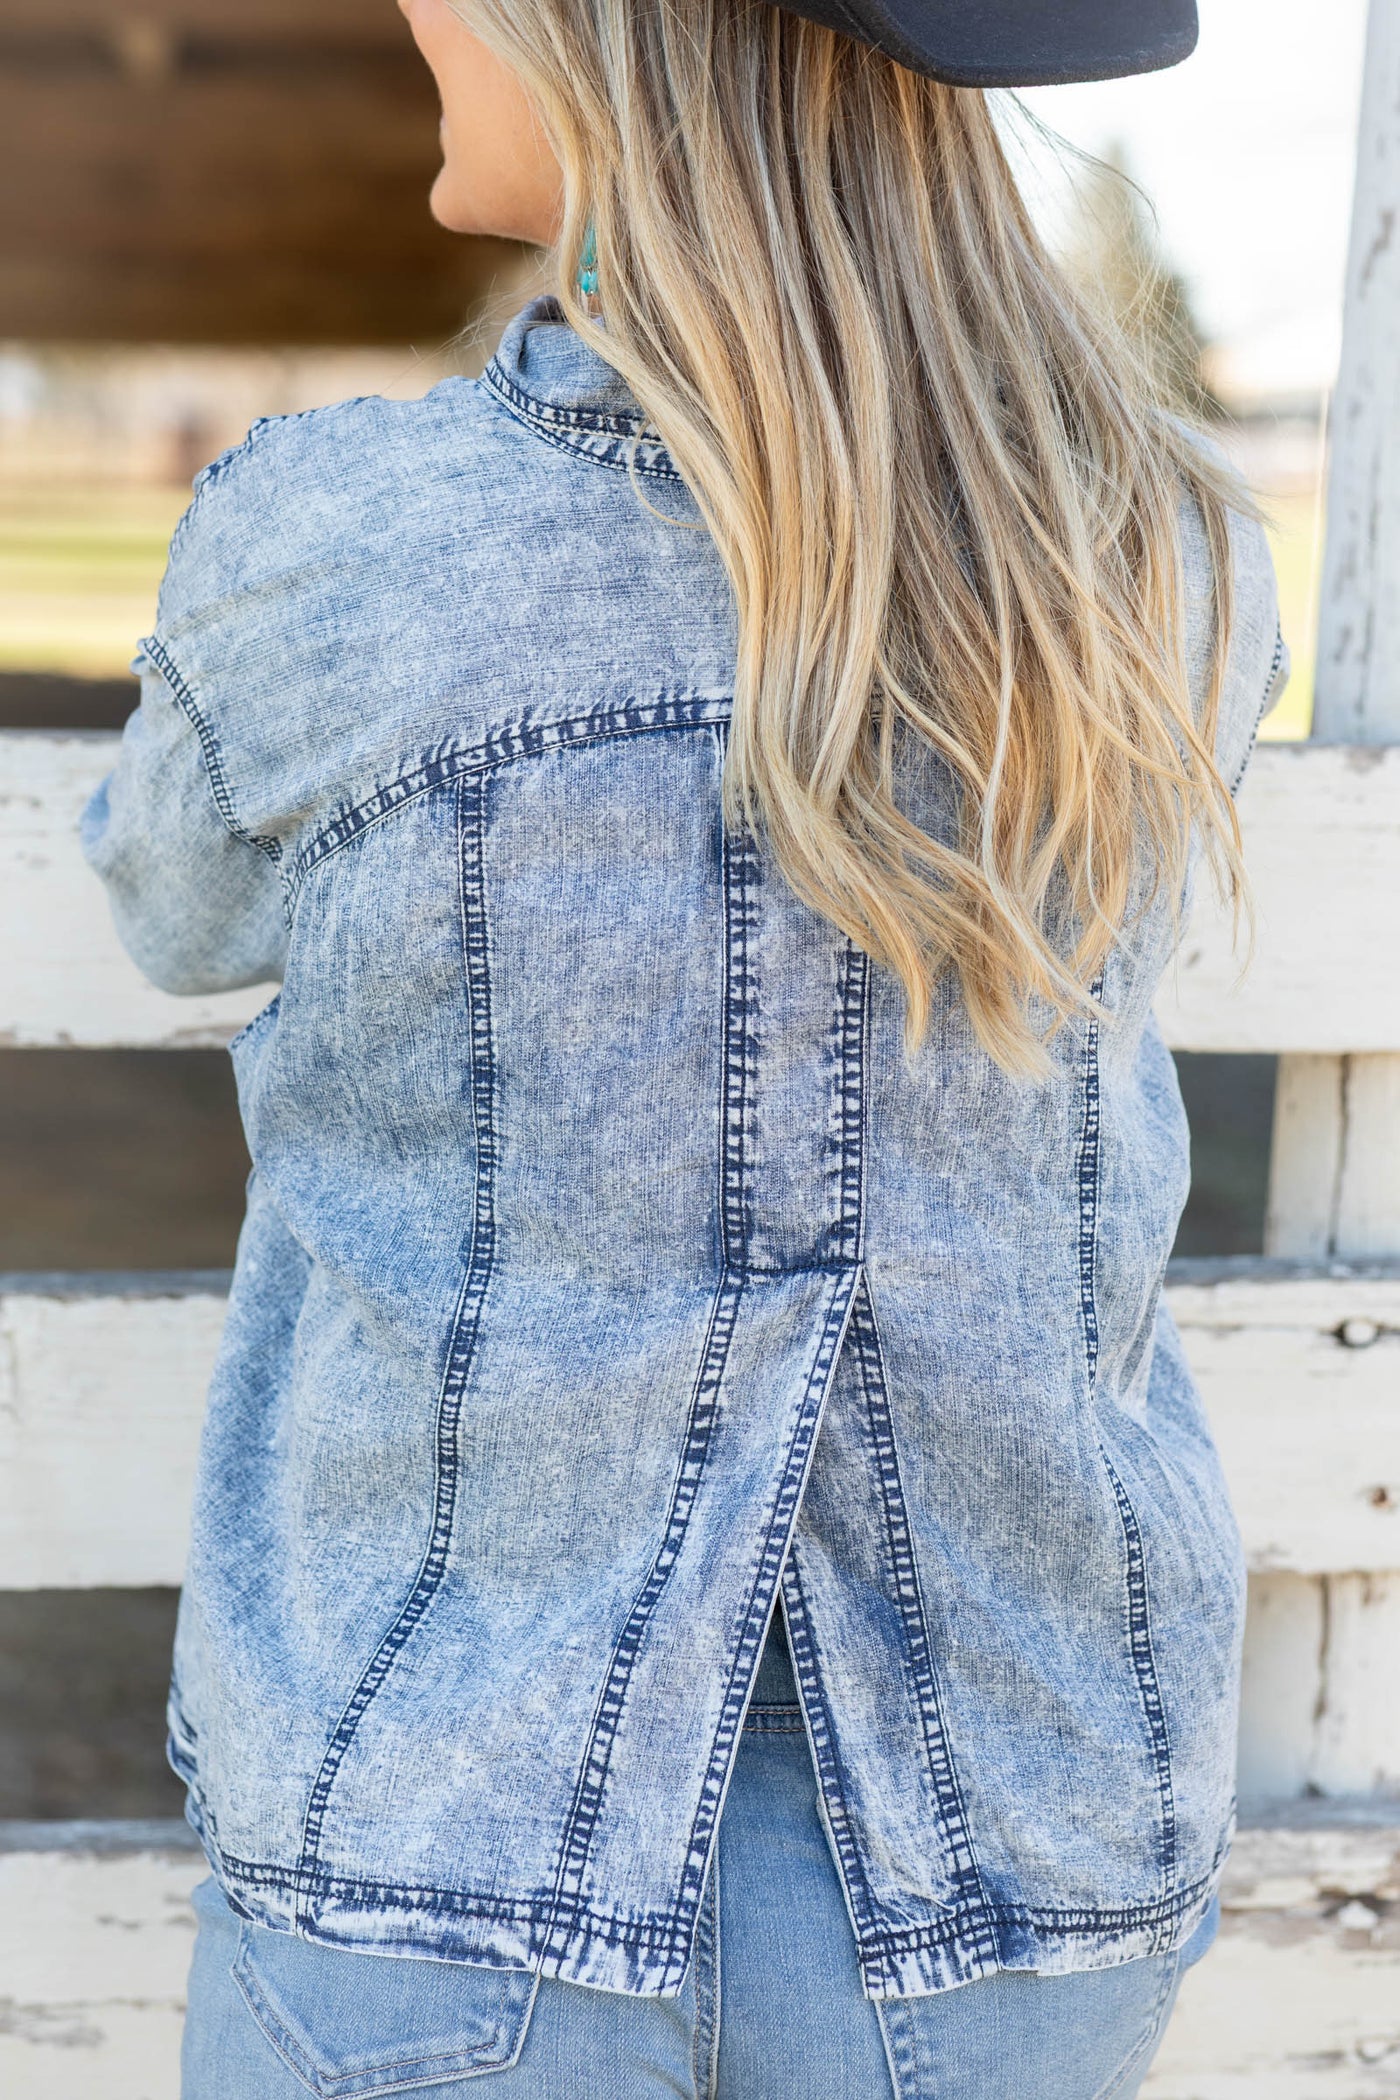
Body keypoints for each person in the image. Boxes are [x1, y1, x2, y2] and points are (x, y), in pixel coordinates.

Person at [83, 2, 1287, 2094]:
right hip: (1016, 1867)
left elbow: (175, 900)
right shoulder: (1154, 555)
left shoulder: (340, 537)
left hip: (439, 1842)